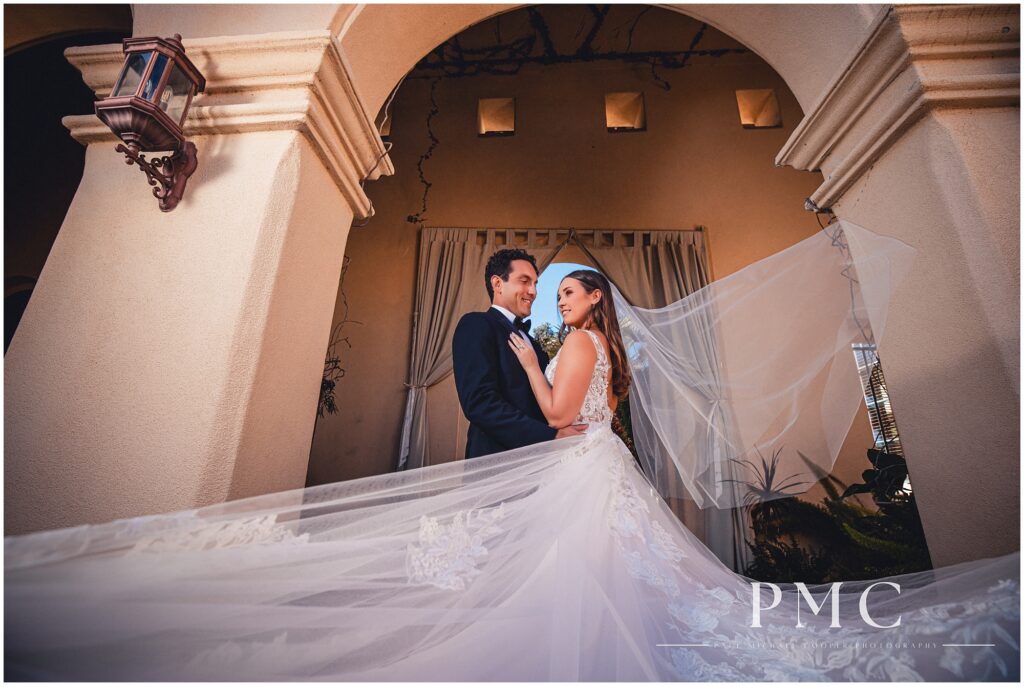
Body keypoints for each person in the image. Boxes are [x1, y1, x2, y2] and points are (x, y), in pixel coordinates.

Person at [5, 228, 1019, 681]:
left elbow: (554, 410)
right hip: (570, 470)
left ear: (580, 301)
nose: (545, 290)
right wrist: (534, 381)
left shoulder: (566, 345)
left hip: (572, 471)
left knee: (583, 587)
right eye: (531, 279)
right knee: (600, 584)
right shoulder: (522, 333)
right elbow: (519, 404)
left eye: (556, 283)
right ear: (502, 280)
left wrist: (539, 374)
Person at [452, 248, 586, 458]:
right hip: (497, 466)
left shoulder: (532, 342)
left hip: (544, 467)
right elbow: (480, 403)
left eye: (535, 284)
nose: (533, 291)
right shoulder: (476, 325)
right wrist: (549, 437)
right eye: (524, 281)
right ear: (497, 284)